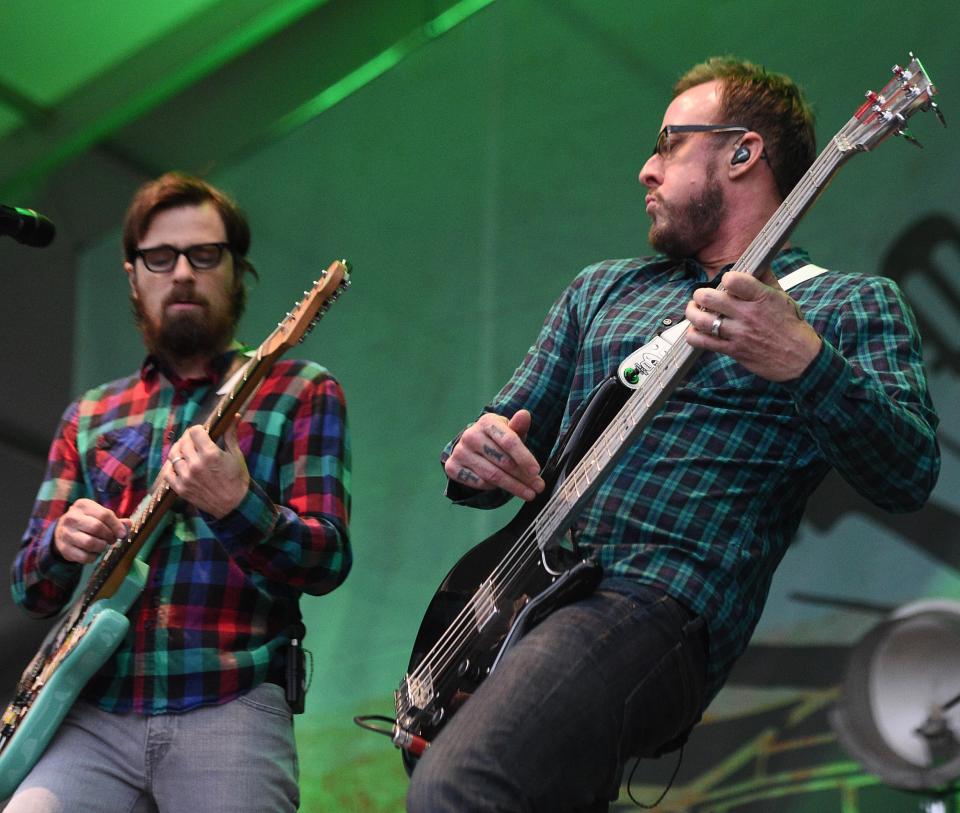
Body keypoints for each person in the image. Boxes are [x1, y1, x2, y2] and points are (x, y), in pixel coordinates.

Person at [406, 57, 940, 812]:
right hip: (528, 587)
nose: (644, 169)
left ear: (742, 152)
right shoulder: (603, 289)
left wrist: (806, 362)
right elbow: (501, 436)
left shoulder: (850, 305)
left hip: (658, 599)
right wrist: (479, 454)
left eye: (666, 143)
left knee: (460, 786)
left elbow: (910, 470)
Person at [6, 172, 351, 812]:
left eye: (205, 255)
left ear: (237, 271)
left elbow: (327, 560)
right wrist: (61, 541)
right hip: (92, 709)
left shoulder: (302, 388)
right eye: (160, 258)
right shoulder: (91, 413)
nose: (183, 273)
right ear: (133, 276)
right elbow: (31, 588)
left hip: (233, 699)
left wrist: (236, 505)